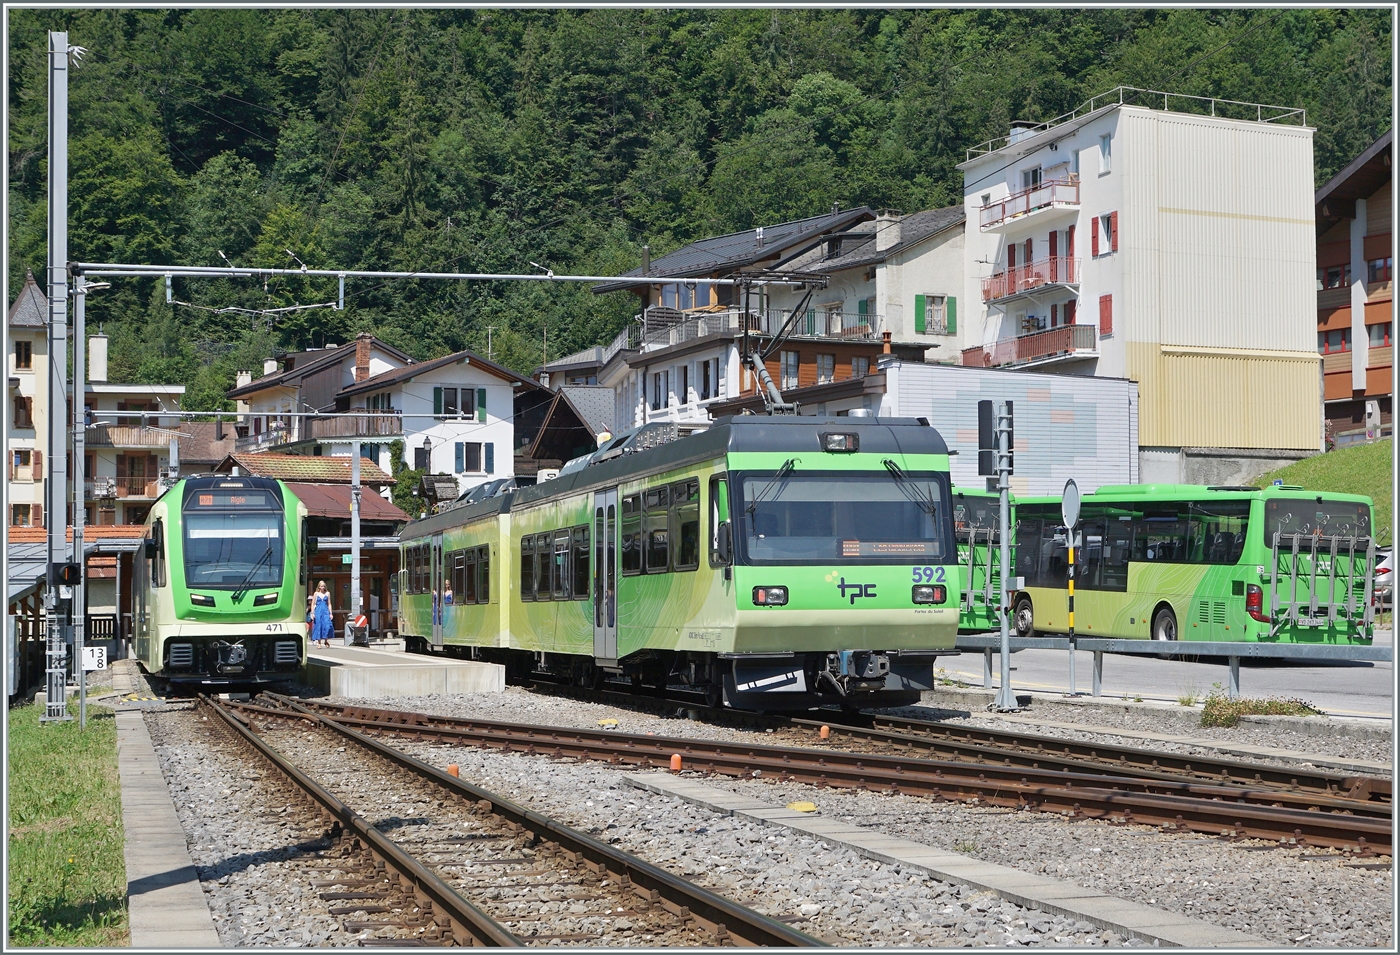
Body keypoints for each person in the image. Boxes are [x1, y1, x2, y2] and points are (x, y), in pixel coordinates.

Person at [309, 580, 333, 648]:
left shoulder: (327, 593)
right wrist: (312, 613)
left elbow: (329, 604)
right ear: (319, 587)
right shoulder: (316, 594)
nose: (323, 587)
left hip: (325, 611)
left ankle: (325, 640)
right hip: (318, 611)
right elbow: (313, 604)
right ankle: (319, 642)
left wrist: (330, 613)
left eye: (324, 586)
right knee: (318, 626)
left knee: (327, 625)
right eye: (321, 586)